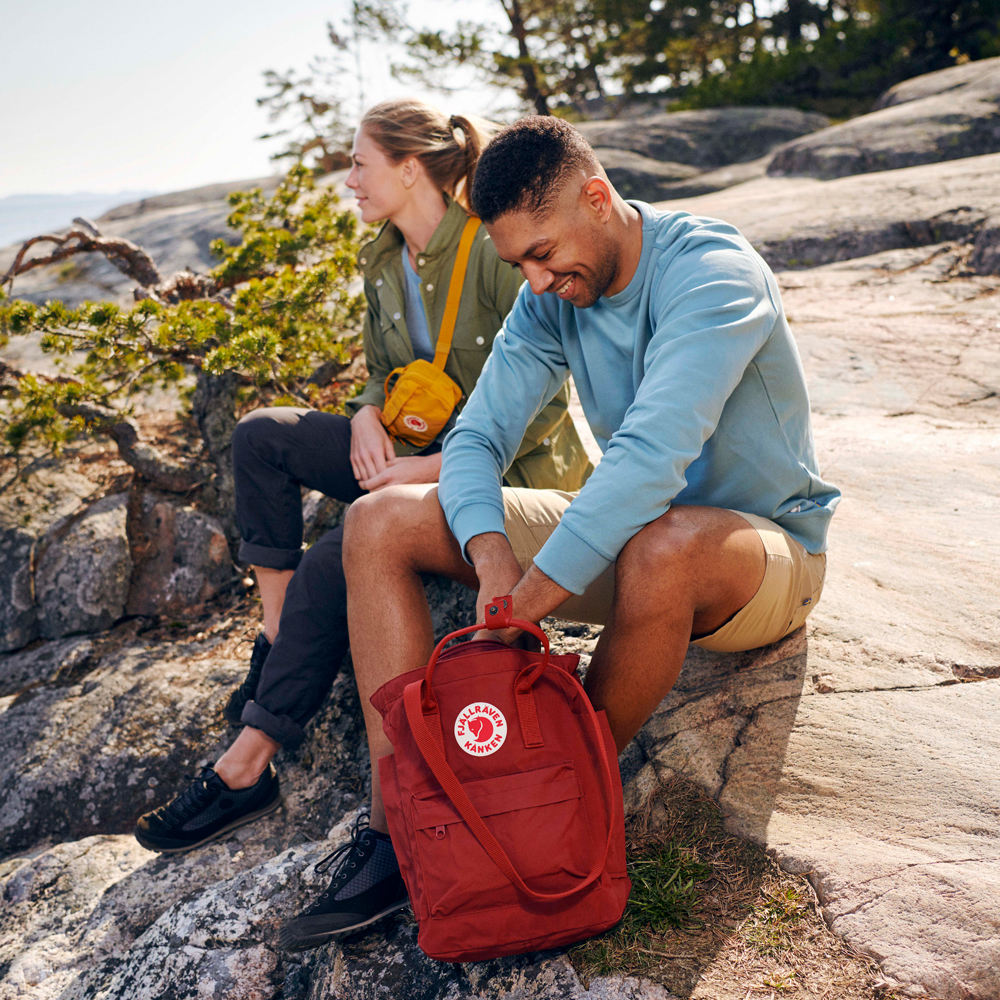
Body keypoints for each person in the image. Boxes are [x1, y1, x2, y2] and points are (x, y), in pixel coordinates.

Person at [274, 115, 841, 951]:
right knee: (378, 519)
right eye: (517, 264)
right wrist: (491, 552)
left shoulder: (714, 274)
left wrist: (529, 599)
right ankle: (408, 828)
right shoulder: (550, 298)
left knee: (664, 542)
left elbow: (650, 454)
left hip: (762, 557)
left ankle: (551, 800)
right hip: (632, 540)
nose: (535, 281)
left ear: (598, 198)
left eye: (543, 253)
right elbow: (475, 439)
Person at [132, 101, 591, 855]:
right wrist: (366, 417)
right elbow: (381, 372)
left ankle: (247, 765)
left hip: (499, 476)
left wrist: (425, 469)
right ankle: (276, 638)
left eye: (358, 163)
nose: (347, 180)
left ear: (410, 169)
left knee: (338, 551)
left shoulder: (490, 252)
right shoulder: (381, 258)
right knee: (261, 437)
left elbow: (539, 412)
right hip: (406, 456)